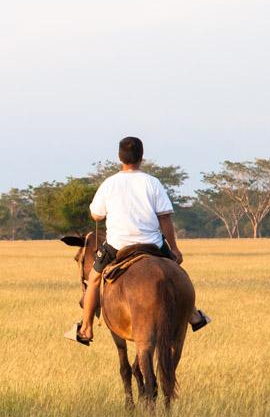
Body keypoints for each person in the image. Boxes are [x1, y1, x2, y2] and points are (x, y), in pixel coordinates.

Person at [78, 136, 210, 343]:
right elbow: (164, 217)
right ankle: (192, 314)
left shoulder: (109, 183)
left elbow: (96, 214)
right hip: (153, 245)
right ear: (141, 157)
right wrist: (174, 248)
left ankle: (85, 328)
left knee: (94, 279)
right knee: (176, 272)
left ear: (119, 157)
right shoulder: (152, 182)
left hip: (117, 245)